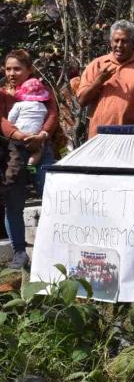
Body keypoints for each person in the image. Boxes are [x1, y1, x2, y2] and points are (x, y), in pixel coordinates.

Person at [0, 50, 58, 269]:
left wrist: (42, 135)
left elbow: (52, 113)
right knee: (13, 203)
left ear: (29, 69)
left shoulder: (41, 90)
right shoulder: (3, 94)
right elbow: (3, 120)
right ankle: (19, 252)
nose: (12, 73)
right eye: (8, 69)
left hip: (42, 148)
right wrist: (21, 137)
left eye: (17, 68)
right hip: (12, 152)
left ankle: (53, 247)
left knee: (51, 196)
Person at [77, 20, 134, 138]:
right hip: (100, 137)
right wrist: (99, 81)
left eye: (124, 41)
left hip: (133, 137)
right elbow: (82, 101)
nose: (119, 45)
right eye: (116, 40)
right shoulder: (97, 64)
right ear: (110, 41)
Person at [7, 77, 50, 167]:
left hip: (19, 133)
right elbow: (44, 119)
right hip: (35, 135)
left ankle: (17, 168)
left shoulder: (19, 105)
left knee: (16, 153)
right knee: (38, 151)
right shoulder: (43, 107)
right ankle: (30, 165)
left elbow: (10, 119)